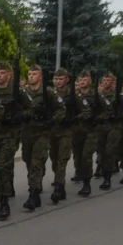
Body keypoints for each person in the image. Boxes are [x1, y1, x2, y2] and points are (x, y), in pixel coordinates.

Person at [0, 61, 31, 218]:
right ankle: (7, 187)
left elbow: (30, 108)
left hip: (11, 135)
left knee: (2, 165)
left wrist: (20, 116)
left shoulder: (17, 91)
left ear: (9, 75)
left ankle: (3, 203)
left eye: (2, 73)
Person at [20, 65, 51, 210]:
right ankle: (36, 184)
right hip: (27, 133)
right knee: (27, 160)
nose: (31, 76)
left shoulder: (48, 92)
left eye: (34, 74)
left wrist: (51, 119)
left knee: (36, 163)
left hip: (42, 133)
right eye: (29, 74)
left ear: (41, 77)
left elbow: (61, 109)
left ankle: (33, 194)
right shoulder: (23, 92)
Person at [47, 68, 74, 203]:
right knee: (53, 157)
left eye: (60, 79)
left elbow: (85, 109)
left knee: (62, 159)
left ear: (67, 79)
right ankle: (59, 181)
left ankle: (58, 186)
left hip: (66, 131)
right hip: (53, 130)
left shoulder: (73, 93)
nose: (57, 82)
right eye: (55, 79)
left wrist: (76, 118)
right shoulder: (50, 93)